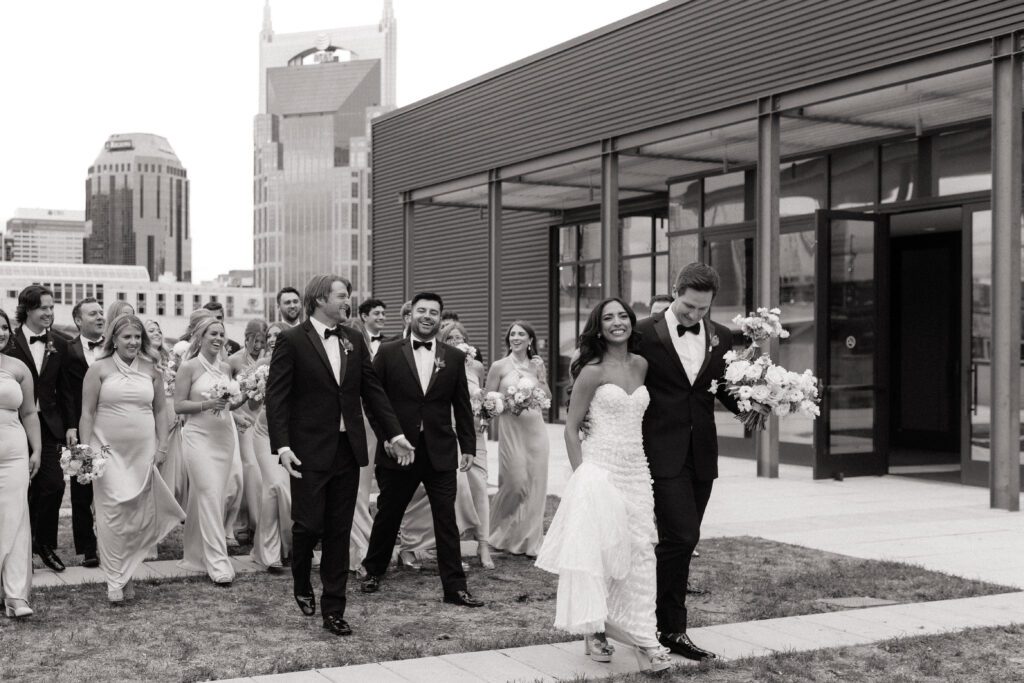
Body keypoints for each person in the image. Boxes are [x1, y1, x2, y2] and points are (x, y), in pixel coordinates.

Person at [266, 274, 413, 637]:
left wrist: (394, 433)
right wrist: (282, 447)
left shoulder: (353, 339)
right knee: (308, 526)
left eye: (348, 296)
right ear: (319, 300)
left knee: (338, 531)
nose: (348, 302)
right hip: (307, 452)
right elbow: (277, 398)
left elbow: (372, 391)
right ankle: (301, 578)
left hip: (348, 452)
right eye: (342, 296)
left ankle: (334, 610)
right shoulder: (291, 340)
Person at [536, 298, 671, 672]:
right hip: (600, 469)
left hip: (636, 470)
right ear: (598, 327)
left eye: (623, 316)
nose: (617, 322)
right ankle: (601, 632)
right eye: (608, 317)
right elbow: (570, 428)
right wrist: (582, 477)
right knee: (600, 553)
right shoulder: (592, 372)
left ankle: (643, 633)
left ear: (632, 324)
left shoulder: (642, 365)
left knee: (641, 551)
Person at [636, 262, 739, 661]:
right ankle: (670, 629)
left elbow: (722, 390)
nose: (695, 316)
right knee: (681, 538)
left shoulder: (722, 336)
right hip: (659, 452)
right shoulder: (643, 333)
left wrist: (761, 402)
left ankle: (654, 620)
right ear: (674, 291)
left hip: (703, 455)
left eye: (703, 310)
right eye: (688, 307)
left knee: (680, 540)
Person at [360, 292, 484, 608]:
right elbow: (373, 400)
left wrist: (467, 445)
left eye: (433, 312)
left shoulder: (454, 358)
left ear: (440, 318)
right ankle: (373, 571)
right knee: (388, 514)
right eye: (422, 310)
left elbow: (462, 406)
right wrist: (388, 438)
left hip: (440, 451)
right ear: (411, 315)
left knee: (446, 520)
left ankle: (455, 588)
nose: (427, 316)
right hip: (400, 450)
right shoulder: (388, 352)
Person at [78, 315, 185, 602]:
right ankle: (115, 579)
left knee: (136, 515)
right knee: (112, 513)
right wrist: (86, 452)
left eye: (137, 337)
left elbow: (161, 411)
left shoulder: (151, 370)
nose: (133, 342)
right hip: (106, 451)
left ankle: (128, 572)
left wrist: (162, 447)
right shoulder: (98, 370)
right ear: (114, 338)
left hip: (142, 451)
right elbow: (87, 413)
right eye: (127, 337)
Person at [173, 316, 246, 585]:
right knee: (209, 495)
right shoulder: (188, 367)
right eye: (212, 333)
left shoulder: (226, 368)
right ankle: (218, 562)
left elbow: (227, 406)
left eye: (221, 334)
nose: (217, 338)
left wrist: (245, 396)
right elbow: (178, 406)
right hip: (198, 437)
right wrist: (207, 404)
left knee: (214, 495)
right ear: (200, 337)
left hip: (224, 438)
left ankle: (196, 554)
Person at [4, 285, 68, 573]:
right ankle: (19, 550)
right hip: (12, 427)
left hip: (49, 425)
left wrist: (72, 426)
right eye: (44, 307)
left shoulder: (61, 344)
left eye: (52, 308)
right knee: (19, 490)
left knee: (53, 485)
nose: (49, 313)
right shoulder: (8, 342)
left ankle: (44, 544)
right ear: (27, 309)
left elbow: (66, 391)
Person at [487, 320, 551, 557]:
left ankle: (528, 541)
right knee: (514, 483)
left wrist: (542, 376)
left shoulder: (536, 366)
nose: (516, 337)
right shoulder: (499, 366)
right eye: (512, 334)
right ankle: (496, 531)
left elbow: (547, 398)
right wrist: (508, 402)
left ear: (530, 340)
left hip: (536, 431)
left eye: (521, 334)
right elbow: (488, 400)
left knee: (535, 485)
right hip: (511, 430)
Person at [438, 320, 493, 569]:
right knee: (457, 492)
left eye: (459, 338)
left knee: (480, 487)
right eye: (450, 338)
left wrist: (486, 413)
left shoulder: (477, 367)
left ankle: (483, 545)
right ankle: (455, 549)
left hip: (475, 435)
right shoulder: (438, 364)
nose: (456, 342)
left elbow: (481, 396)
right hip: (450, 434)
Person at [58, 297, 106, 568]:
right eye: (92, 314)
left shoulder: (113, 348)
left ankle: (113, 541)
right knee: (82, 487)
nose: (99, 317)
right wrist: (71, 425)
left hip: (111, 427)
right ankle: (88, 548)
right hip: (82, 427)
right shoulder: (67, 350)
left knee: (111, 484)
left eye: (101, 312)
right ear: (78, 320)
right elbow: (64, 391)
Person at [0, 309, 42, 618]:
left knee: (16, 518)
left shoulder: (18, 367)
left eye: (3, 328)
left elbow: (29, 413)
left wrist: (36, 450)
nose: (1, 333)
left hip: (13, 452)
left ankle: (16, 596)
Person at [228, 321, 266, 547]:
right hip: (241, 421)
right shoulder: (234, 361)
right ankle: (241, 524)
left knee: (259, 472)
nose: (258, 345)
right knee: (247, 469)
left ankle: (258, 523)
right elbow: (227, 390)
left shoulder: (266, 360)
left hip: (260, 419)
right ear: (247, 338)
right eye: (255, 340)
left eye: (262, 341)